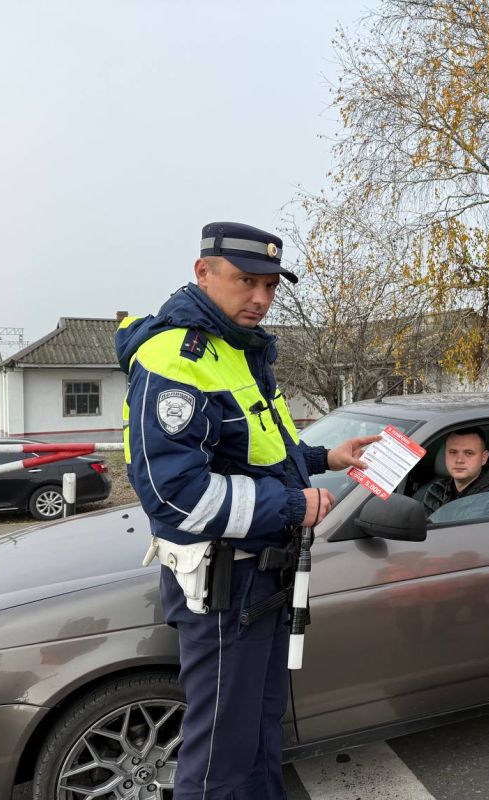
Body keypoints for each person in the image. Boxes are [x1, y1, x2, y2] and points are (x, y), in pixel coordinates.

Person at [116, 221, 378, 800]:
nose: (260, 298)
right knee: (219, 759)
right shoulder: (175, 358)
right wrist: (293, 502)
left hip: (262, 582)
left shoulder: (238, 349)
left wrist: (325, 456)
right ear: (203, 273)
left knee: (259, 734)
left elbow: (260, 449)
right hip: (223, 586)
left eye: (270, 285)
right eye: (245, 281)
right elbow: (173, 493)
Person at [419, 427, 489, 516]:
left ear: (483, 458)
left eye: (469, 453)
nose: (459, 460)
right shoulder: (435, 491)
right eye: (453, 452)